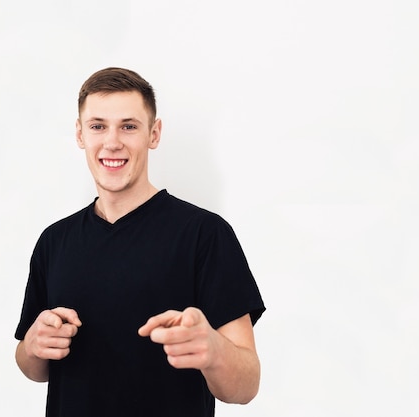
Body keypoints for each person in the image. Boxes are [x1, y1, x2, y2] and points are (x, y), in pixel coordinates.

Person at [14, 67, 266, 416]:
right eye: (98, 126)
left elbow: (246, 386)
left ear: (154, 133)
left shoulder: (205, 235)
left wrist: (214, 350)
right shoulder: (54, 241)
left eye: (128, 126)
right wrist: (32, 346)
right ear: (80, 133)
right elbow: (33, 367)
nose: (112, 141)